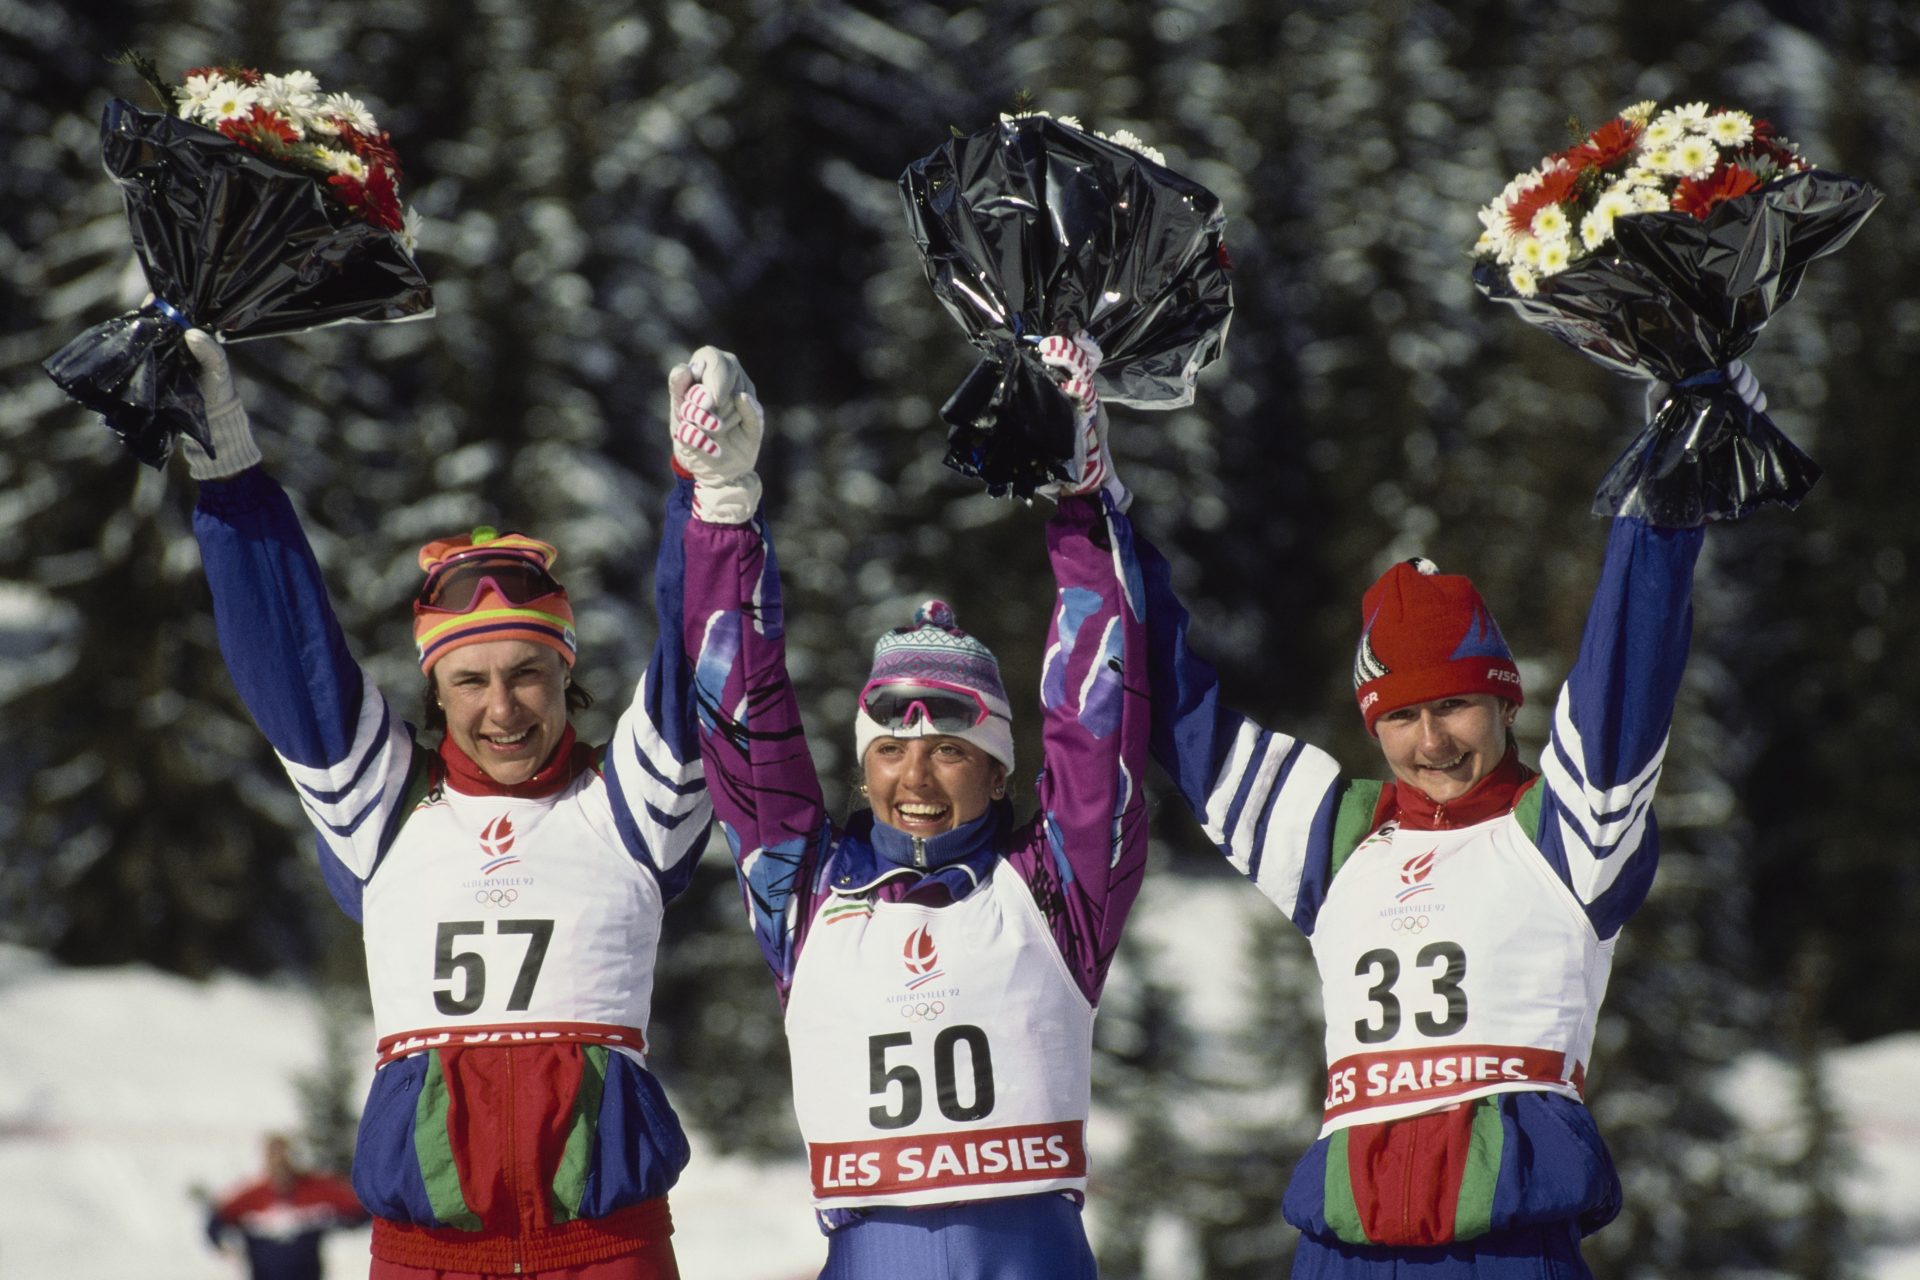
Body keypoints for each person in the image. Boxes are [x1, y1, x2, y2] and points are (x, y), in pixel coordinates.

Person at [1139, 360, 1774, 1275]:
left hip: (1506, 1244)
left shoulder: (1563, 835)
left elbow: (1625, 681)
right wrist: (1096, 509)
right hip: (1343, 1251)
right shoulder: (1335, 835)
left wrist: (1662, 502)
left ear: (1505, 703)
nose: (1431, 741)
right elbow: (1180, 714)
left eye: (1456, 707)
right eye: (1400, 716)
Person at [180, 328, 713, 1279]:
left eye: (527, 675)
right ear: (434, 689)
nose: (501, 709)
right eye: (469, 681)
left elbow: (697, 668)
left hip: (605, 1250)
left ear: (567, 672)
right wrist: (226, 469)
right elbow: (291, 661)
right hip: (427, 1256)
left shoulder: (627, 805)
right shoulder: (383, 811)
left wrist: (710, 502)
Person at [663, 336, 1149, 1277]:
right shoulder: (804, 890)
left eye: (951, 752)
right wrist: (721, 511)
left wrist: (1083, 506)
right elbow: (741, 719)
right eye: (889, 751)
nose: (915, 780)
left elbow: (1097, 724)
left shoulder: (1054, 889)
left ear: (1000, 771)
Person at [206, 1132, 369, 1280]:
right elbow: (218, 1219)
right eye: (274, 1159)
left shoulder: (316, 1189)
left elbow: (359, 1208)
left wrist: (341, 1223)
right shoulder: (251, 1197)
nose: (280, 1165)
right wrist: (222, 1246)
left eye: (284, 1158)